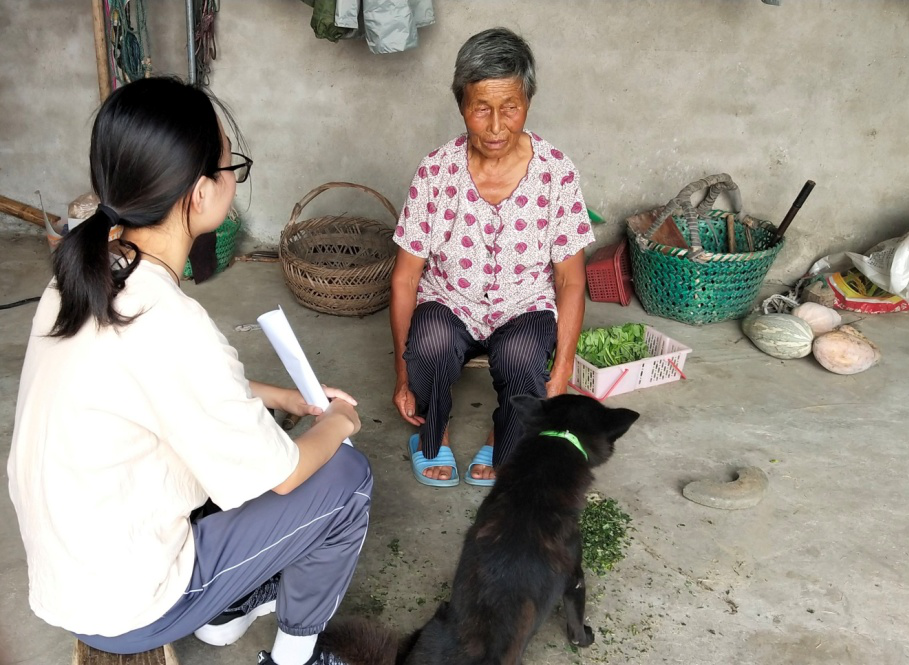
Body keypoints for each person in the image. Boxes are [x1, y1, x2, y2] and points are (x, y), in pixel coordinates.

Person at [7, 77, 370, 665]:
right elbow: (284, 475)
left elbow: (161, 387)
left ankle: (225, 614)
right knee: (346, 477)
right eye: (232, 168)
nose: (234, 181)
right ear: (200, 194)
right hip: (130, 607)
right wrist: (339, 422)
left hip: (67, 577)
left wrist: (283, 396)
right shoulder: (170, 321)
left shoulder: (82, 276)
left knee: (250, 437)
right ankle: (295, 657)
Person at [390, 27, 594, 488]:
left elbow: (570, 280)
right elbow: (405, 279)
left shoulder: (556, 173)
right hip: (451, 300)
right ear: (461, 104)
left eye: (511, 108)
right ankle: (433, 431)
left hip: (523, 304)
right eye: (481, 108)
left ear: (528, 102)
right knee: (430, 342)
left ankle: (505, 437)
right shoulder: (436, 171)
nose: (497, 126)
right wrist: (402, 375)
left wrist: (562, 370)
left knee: (522, 355)